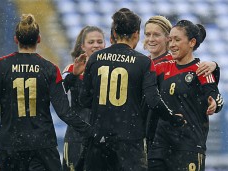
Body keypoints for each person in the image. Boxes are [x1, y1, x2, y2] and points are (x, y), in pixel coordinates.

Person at [0, 14, 92, 171]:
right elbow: (64, 112)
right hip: (43, 144)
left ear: (15, 39)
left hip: (11, 144)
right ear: (38, 39)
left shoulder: (1, 66)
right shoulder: (49, 68)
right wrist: (89, 131)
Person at [79, 8, 185, 171]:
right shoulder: (142, 62)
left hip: (98, 138)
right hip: (129, 140)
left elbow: (84, 99)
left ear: (114, 32)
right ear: (136, 33)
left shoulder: (95, 58)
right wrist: (173, 118)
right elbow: (153, 100)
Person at [148, 20, 224, 171]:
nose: (172, 45)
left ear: (192, 42)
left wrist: (215, 103)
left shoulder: (201, 70)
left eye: (177, 40)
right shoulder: (162, 67)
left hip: (188, 146)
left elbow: (216, 97)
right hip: (159, 147)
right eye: (170, 40)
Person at [62, 26, 105, 171]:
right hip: (77, 134)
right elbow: (58, 94)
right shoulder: (70, 69)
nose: (96, 45)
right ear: (82, 46)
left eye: (99, 41)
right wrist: (74, 75)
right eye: (91, 42)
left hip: (102, 134)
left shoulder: (113, 71)